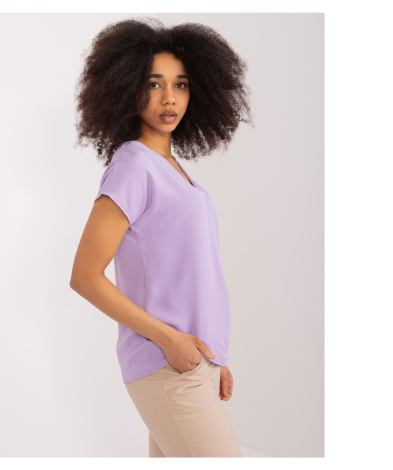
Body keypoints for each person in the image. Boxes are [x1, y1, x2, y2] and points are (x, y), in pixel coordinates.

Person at [70, 17, 253, 457]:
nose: (169, 98)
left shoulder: (173, 170)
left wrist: (214, 357)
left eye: (181, 84)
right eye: (154, 84)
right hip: (167, 364)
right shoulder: (134, 165)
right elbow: (85, 276)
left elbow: (193, 274)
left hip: (192, 363)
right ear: (127, 88)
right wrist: (170, 341)